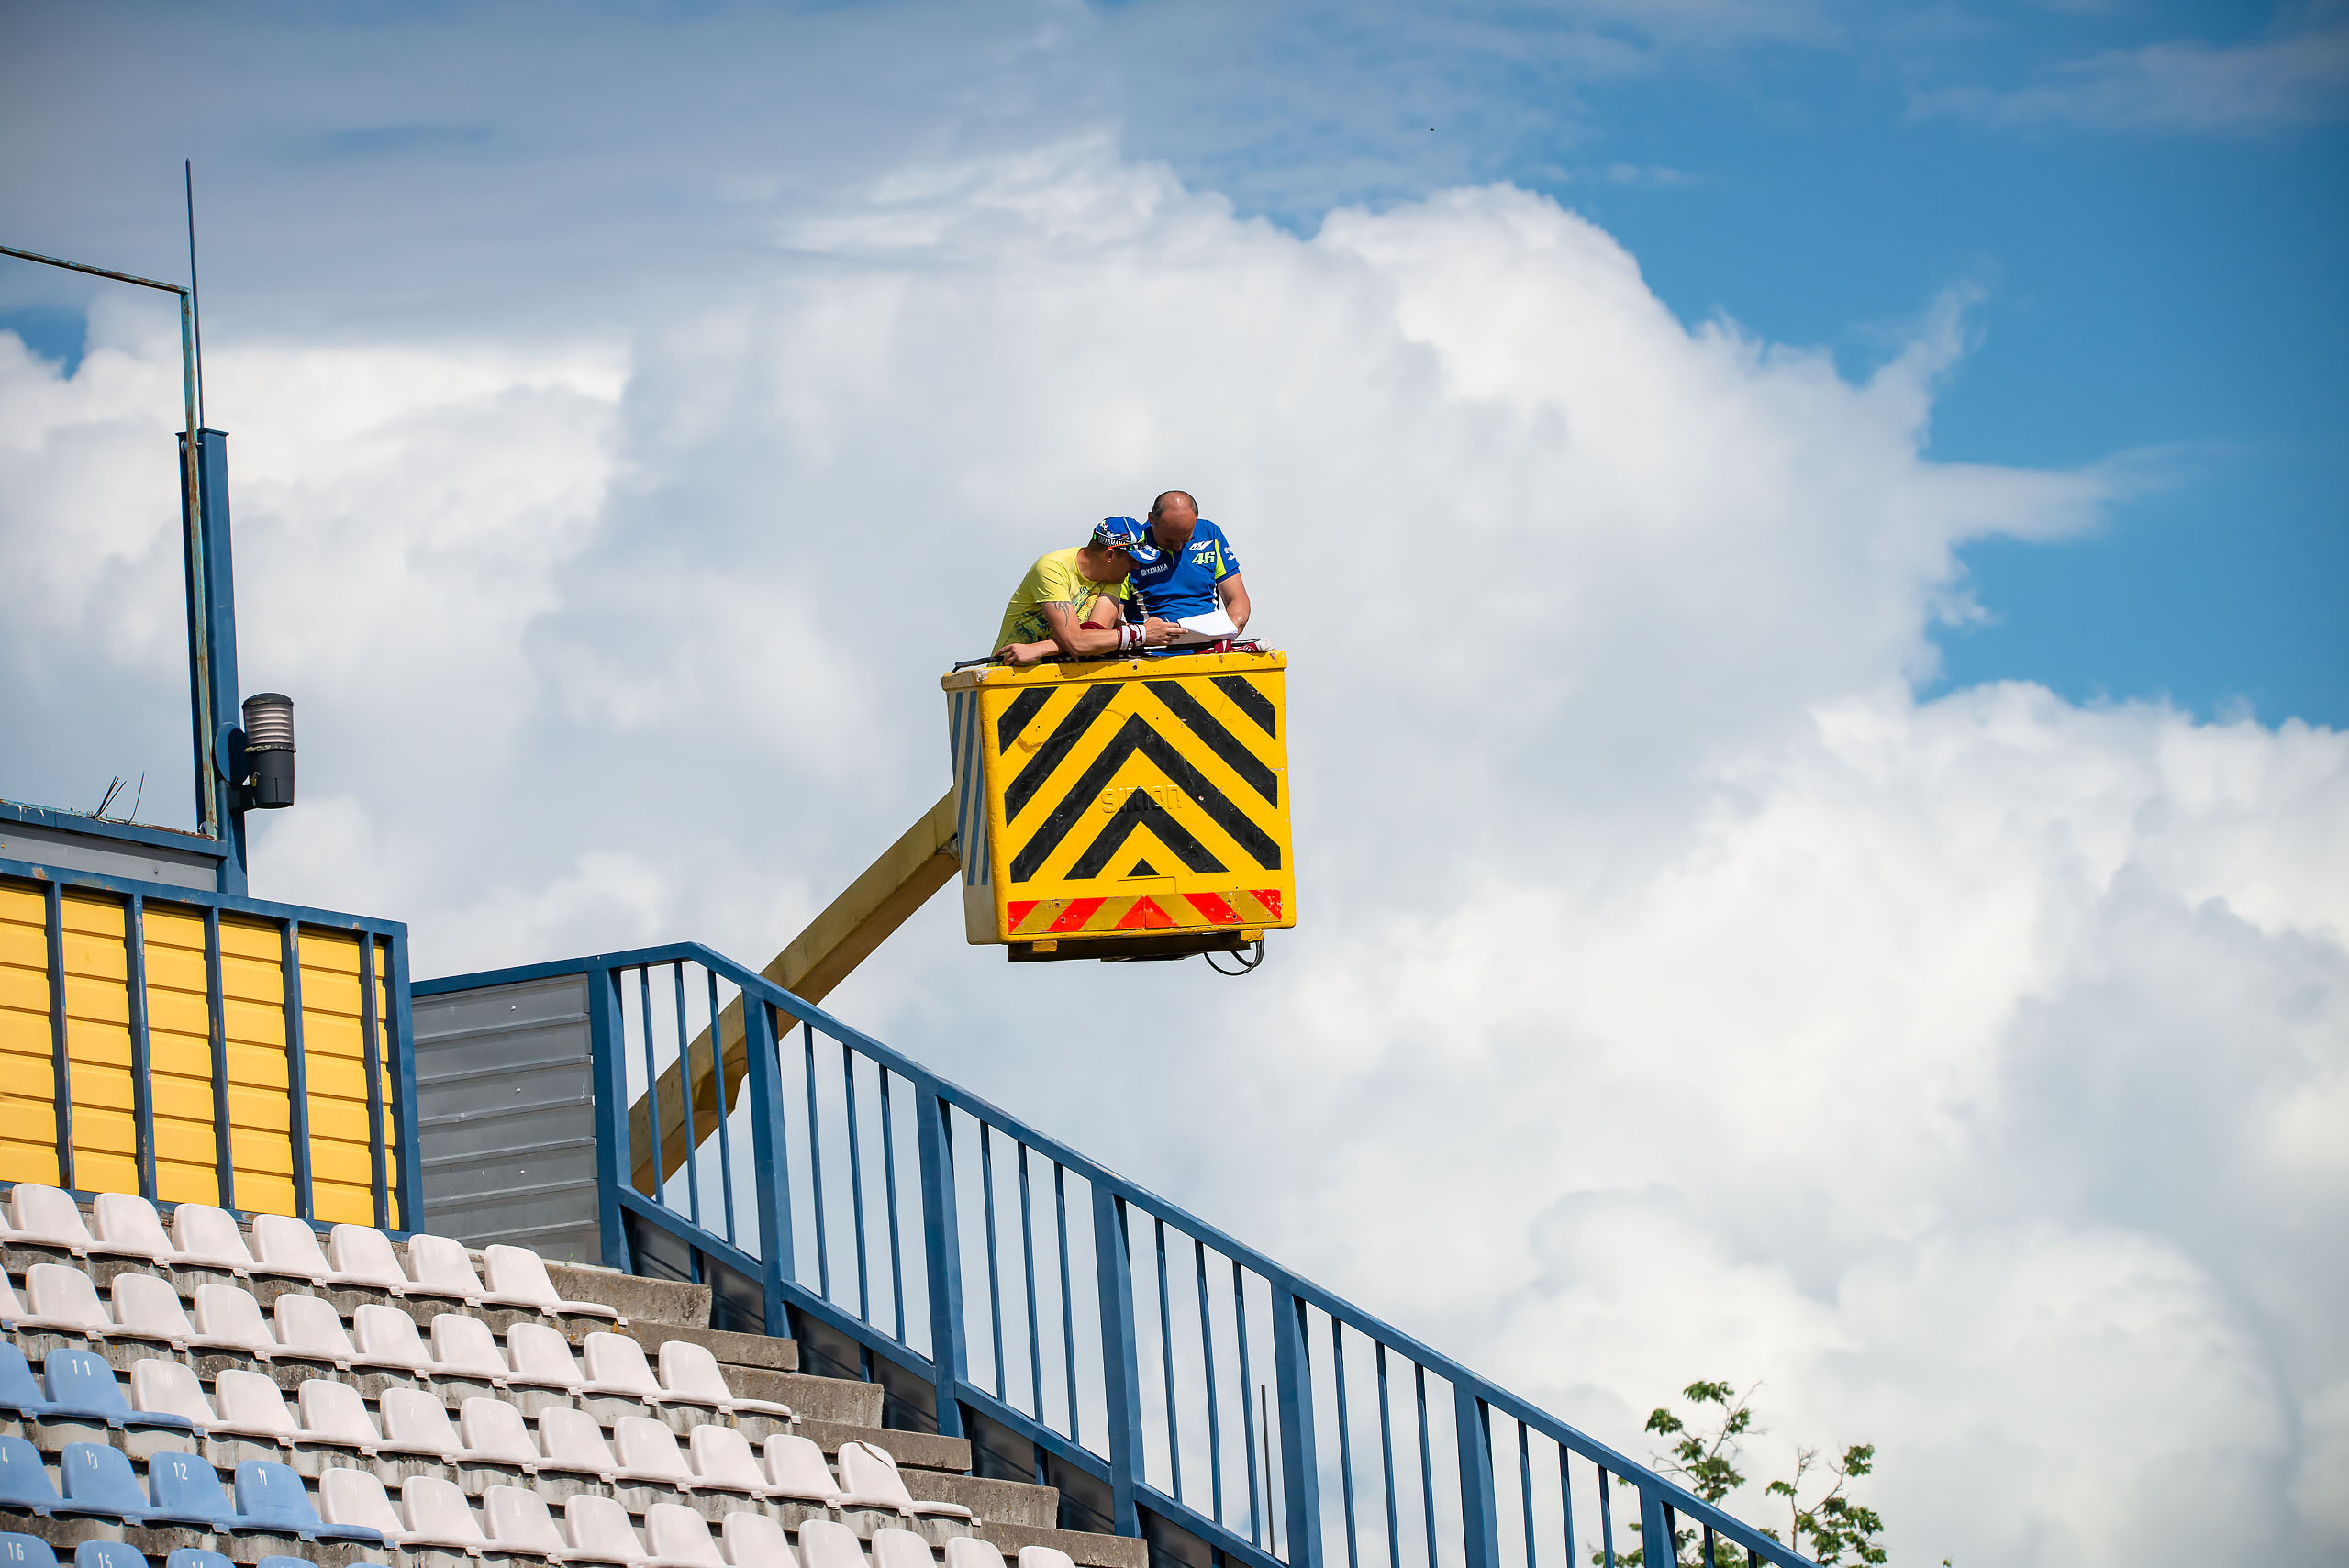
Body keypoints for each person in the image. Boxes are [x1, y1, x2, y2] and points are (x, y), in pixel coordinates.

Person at [994, 517, 1181, 665]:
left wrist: (1041, 648)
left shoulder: (1114, 578)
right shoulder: (1051, 568)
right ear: (1110, 555)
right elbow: (1077, 643)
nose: (1137, 566)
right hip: (1010, 675)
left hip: (1060, 676)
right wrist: (1141, 633)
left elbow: (1094, 635)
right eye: (1132, 559)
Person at [1122, 490, 1251, 645]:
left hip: (1208, 651)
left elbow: (1238, 600)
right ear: (1151, 519)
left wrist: (1230, 628)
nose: (1177, 548)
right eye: (1169, 541)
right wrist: (1142, 634)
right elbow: (1110, 622)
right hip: (1152, 657)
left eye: (1185, 539)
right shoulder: (1132, 547)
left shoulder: (1210, 533)